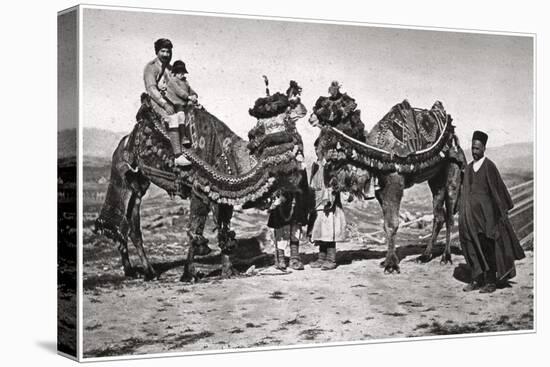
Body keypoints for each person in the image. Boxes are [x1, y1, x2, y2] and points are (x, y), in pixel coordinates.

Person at [459, 130, 525, 293]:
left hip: (487, 218)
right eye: (473, 148)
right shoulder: (468, 169)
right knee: (473, 247)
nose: (474, 152)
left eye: (478, 149)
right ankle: (476, 279)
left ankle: (490, 282)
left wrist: (499, 215)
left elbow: (498, 191)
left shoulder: (489, 166)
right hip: (471, 218)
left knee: (489, 247)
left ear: (484, 149)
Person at [143, 38, 190, 166]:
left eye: (168, 52)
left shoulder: (170, 69)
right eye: (163, 51)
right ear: (157, 52)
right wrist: (164, 104)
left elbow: (178, 85)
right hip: (157, 101)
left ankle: (185, 140)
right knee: (173, 117)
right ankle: (177, 155)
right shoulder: (151, 68)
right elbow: (151, 89)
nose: (166, 54)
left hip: (171, 99)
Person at [307, 138, 347, 270]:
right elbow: (313, 184)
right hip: (318, 202)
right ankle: (321, 258)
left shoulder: (332, 166)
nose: (316, 151)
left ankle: (331, 259)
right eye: (315, 148)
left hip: (329, 203)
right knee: (320, 231)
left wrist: (330, 198)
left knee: (330, 231)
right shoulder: (316, 165)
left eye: (318, 148)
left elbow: (335, 185)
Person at [164, 60, 198, 153]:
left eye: (183, 72)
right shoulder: (172, 81)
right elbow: (179, 92)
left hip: (184, 104)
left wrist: (194, 95)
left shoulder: (185, 82)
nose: (182, 74)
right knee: (181, 115)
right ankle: (183, 137)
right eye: (180, 72)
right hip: (175, 104)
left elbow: (191, 90)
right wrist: (188, 97)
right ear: (175, 72)